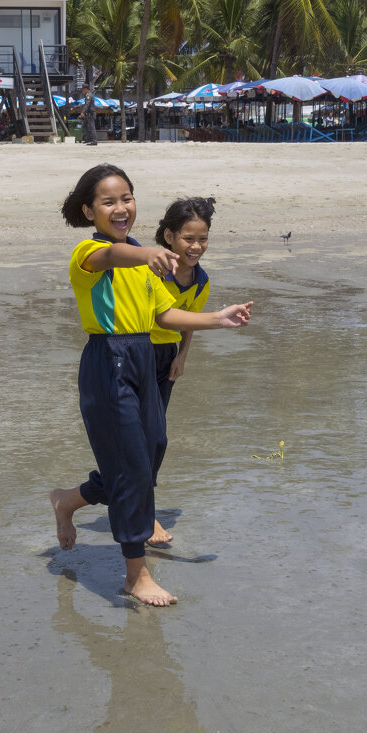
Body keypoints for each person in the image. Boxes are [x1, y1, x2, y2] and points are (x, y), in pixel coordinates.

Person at [48, 164, 252, 606]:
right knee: (131, 467)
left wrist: (218, 319)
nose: (121, 208)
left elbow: (164, 315)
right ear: (89, 210)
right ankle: (135, 576)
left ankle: (69, 500)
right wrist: (146, 256)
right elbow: (110, 257)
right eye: (108, 201)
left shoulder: (141, 254)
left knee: (152, 449)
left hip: (143, 357)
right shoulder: (89, 251)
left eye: (127, 198)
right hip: (108, 360)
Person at [147, 196, 215, 545]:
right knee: (151, 437)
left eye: (202, 238)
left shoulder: (201, 281)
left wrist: (182, 356)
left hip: (166, 358)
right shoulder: (152, 269)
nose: (196, 246)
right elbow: (159, 315)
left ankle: (137, 504)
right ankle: (145, 513)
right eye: (189, 238)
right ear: (169, 236)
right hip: (136, 352)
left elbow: (189, 323)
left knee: (154, 438)